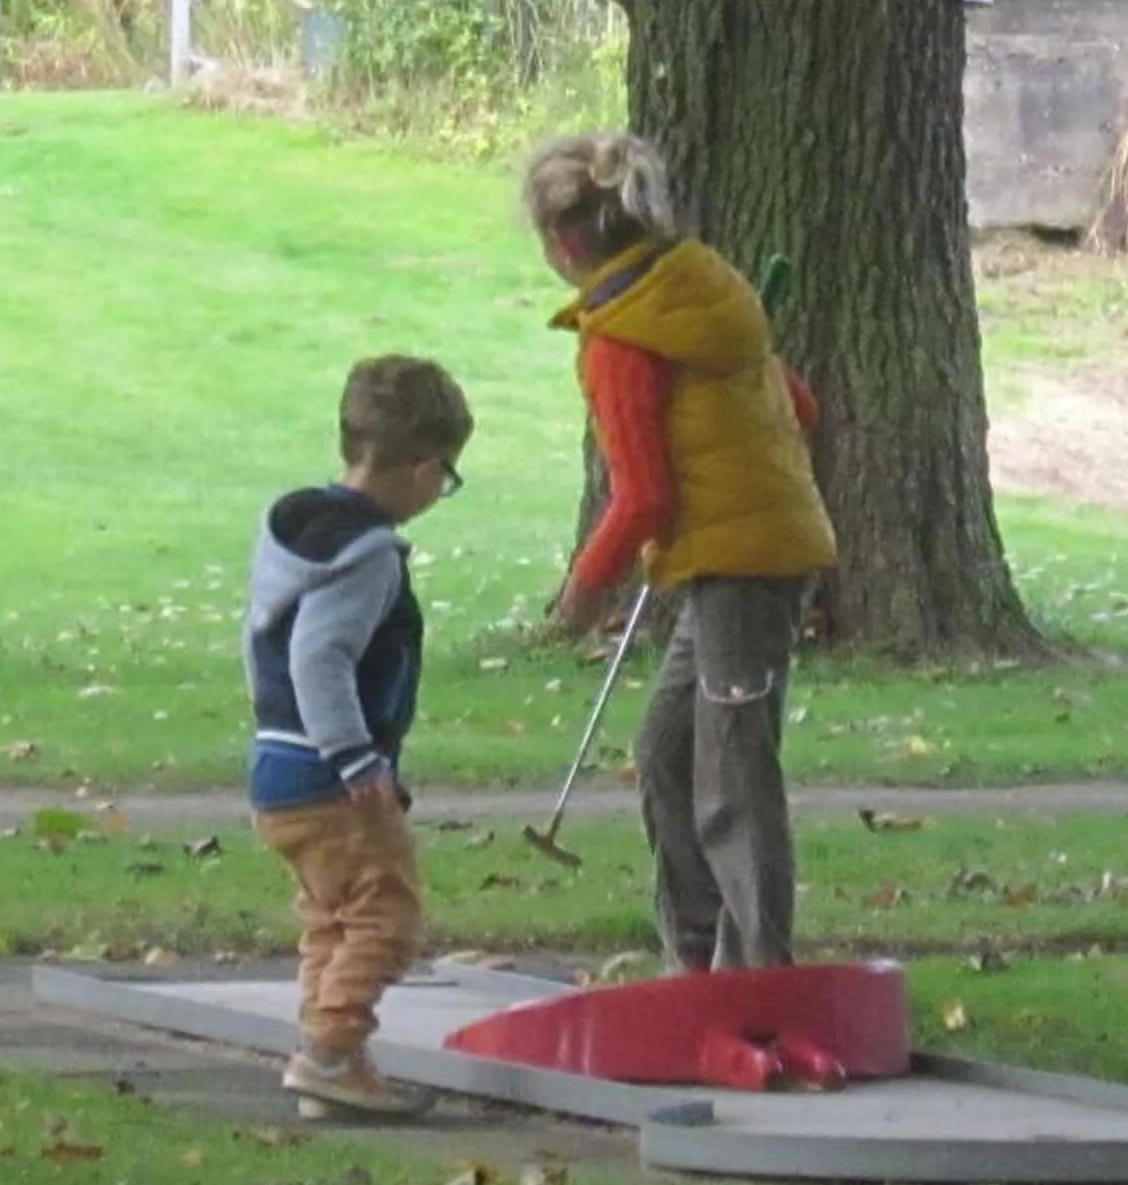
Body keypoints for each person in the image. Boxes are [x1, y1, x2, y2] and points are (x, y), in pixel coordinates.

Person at [524, 132, 836, 972]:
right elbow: (797, 408)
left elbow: (644, 497)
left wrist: (582, 593)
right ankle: (696, 959)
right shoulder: (707, 287)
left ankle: (760, 976)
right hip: (739, 555)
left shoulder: (623, 338)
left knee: (732, 776)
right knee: (669, 750)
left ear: (563, 244)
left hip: (743, 565)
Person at [243, 353, 471, 1119]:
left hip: (276, 765)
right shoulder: (365, 556)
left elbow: (266, 649)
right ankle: (331, 1050)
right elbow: (320, 657)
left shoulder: (294, 533)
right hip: (331, 773)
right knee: (387, 913)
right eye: (448, 477)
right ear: (421, 466)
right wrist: (352, 755)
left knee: (329, 918)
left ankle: (331, 1063)